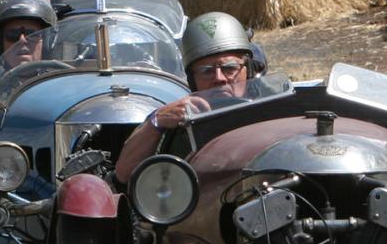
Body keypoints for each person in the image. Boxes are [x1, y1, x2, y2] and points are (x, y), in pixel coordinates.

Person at [116, 11, 289, 180]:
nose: (219, 78)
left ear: (248, 70)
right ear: (192, 79)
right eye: (206, 71)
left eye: (229, 68)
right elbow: (124, 173)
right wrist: (156, 121)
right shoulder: (176, 117)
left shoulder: (278, 104)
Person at [0, 0, 58, 136]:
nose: (22, 40)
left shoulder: (64, 93)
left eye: (31, 34)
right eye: (13, 34)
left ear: (47, 42)